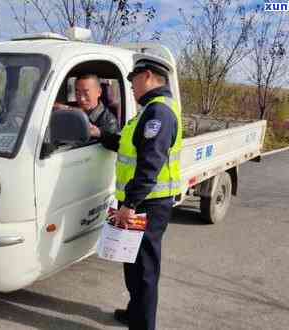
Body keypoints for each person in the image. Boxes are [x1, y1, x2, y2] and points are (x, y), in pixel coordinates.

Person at [90, 59, 182, 330]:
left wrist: (130, 203)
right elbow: (127, 144)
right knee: (132, 261)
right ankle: (135, 312)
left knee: (144, 270)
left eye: (133, 80)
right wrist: (101, 134)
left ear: (148, 76)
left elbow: (149, 163)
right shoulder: (148, 111)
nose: (130, 86)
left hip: (147, 203)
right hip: (141, 200)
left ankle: (143, 325)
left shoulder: (158, 113)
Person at [54, 74, 118, 135]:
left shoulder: (109, 121)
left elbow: (114, 140)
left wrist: (99, 133)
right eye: (77, 93)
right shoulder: (72, 107)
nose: (82, 99)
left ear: (99, 92)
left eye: (86, 94)